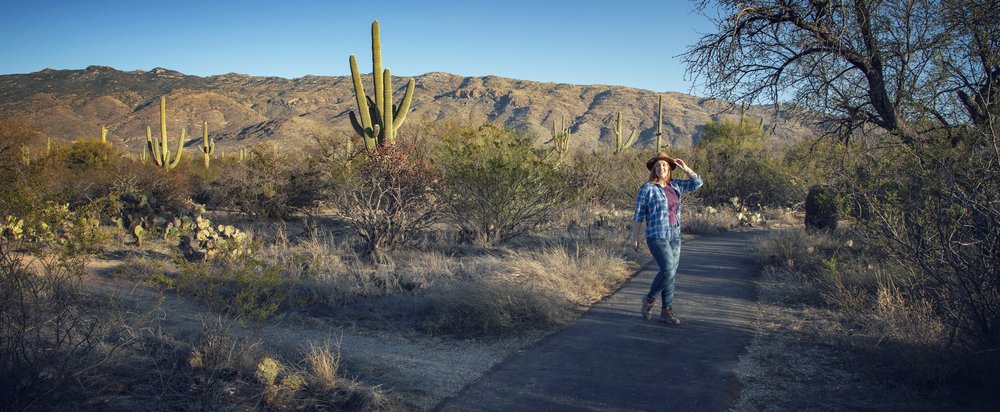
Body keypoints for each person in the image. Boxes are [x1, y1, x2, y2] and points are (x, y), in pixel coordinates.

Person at [630, 152, 703, 325]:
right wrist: (635, 237)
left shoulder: (676, 186)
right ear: (654, 170)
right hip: (656, 235)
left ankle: (666, 310)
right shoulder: (647, 188)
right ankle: (648, 300)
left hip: (675, 235)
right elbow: (638, 214)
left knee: (671, 274)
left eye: (664, 165)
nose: (660, 168)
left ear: (669, 168)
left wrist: (685, 168)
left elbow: (697, 183)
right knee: (668, 270)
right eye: (657, 166)